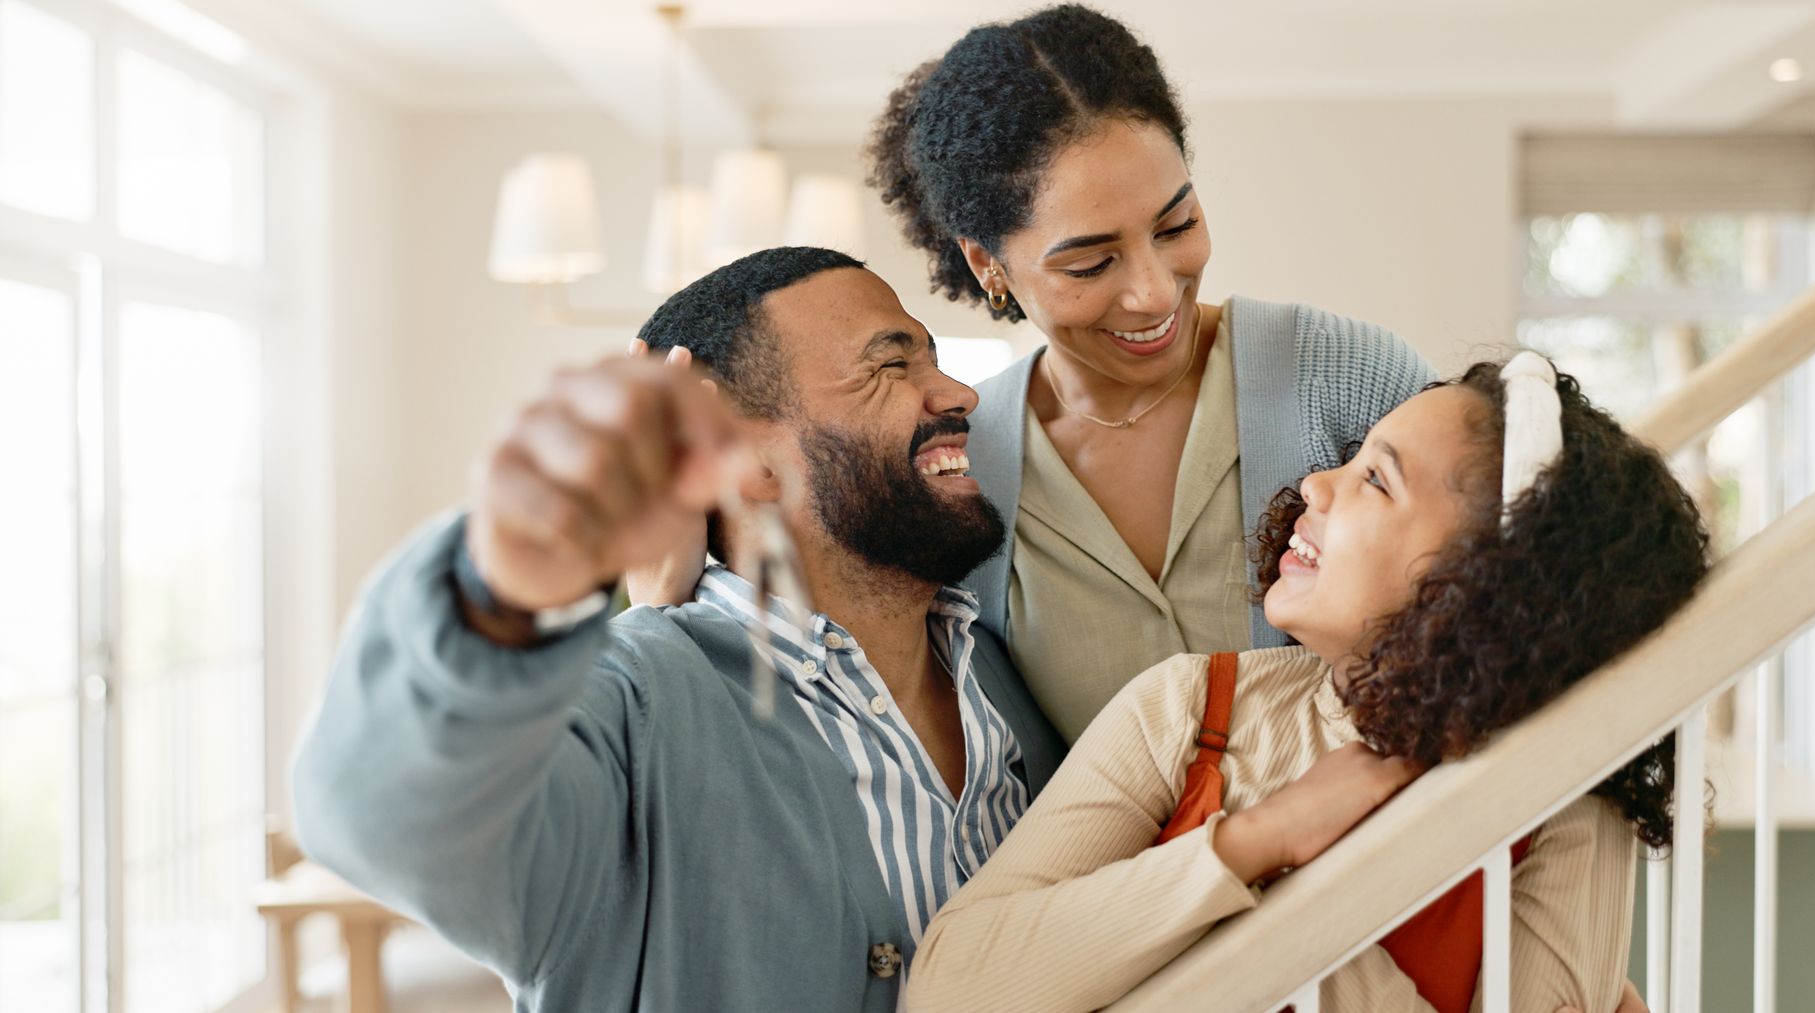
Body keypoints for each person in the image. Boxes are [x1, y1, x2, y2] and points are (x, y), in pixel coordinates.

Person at [290, 247, 1067, 1011]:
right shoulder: (637, 705)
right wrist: (504, 581)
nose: (959, 392)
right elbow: (381, 817)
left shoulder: (1003, 666)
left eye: (932, 358)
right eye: (890, 366)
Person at [905, 355, 1711, 1012]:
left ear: (1489, 583)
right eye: (1353, 457)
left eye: (1376, 480)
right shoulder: (1189, 706)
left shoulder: (1560, 805)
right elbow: (949, 988)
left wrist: (1299, 891)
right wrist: (1259, 837)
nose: (1318, 483)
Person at [869, 3, 1436, 741]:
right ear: (988, 264)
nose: (1155, 291)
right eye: (1091, 262)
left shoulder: (1348, 378)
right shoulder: (967, 469)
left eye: (1177, 226)